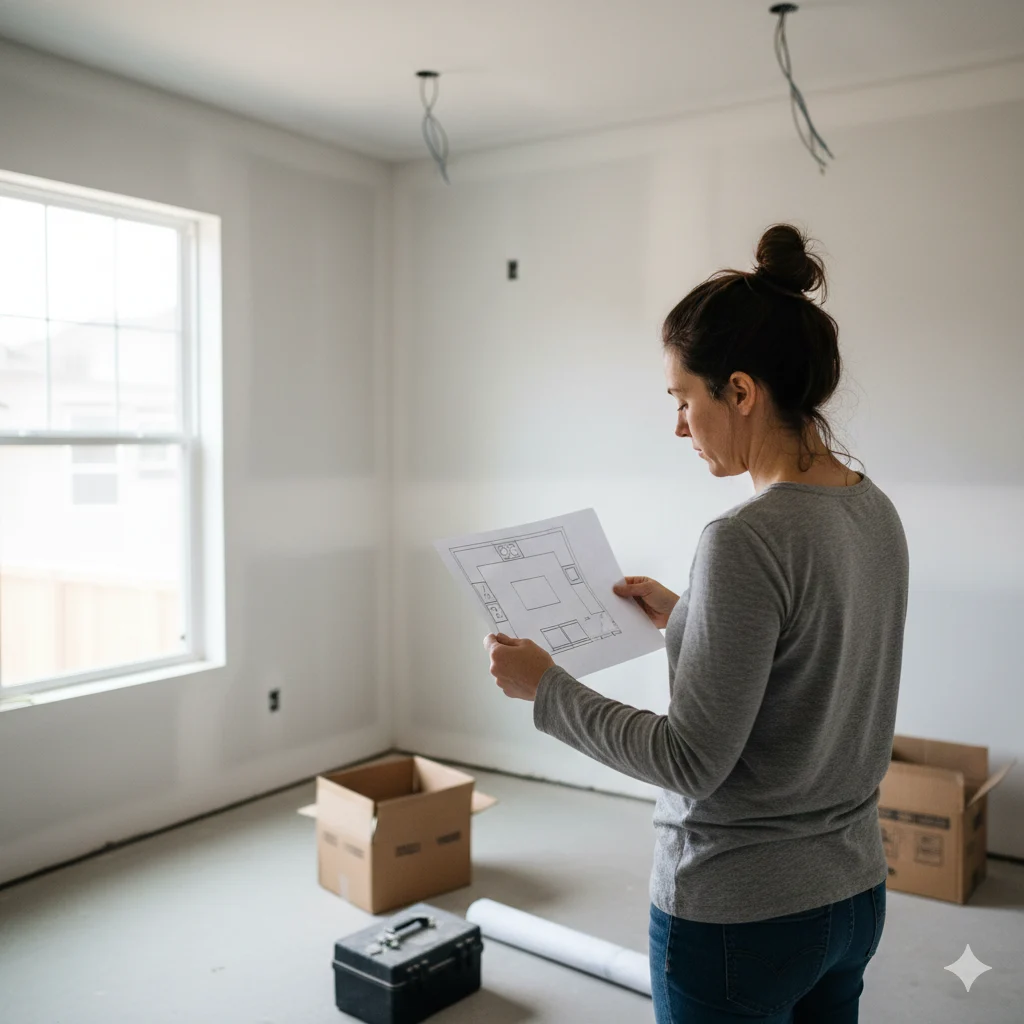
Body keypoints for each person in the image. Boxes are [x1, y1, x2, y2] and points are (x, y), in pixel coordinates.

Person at [483, 223, 909, 1023]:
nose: (680, 426)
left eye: (684, 399)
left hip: (741, 917)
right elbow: (815, 654)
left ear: (740, 392)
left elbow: (689, 760)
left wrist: (546, 690)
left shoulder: (744, 538)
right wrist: (689, 618)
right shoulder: (873, 509)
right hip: (854, 896)